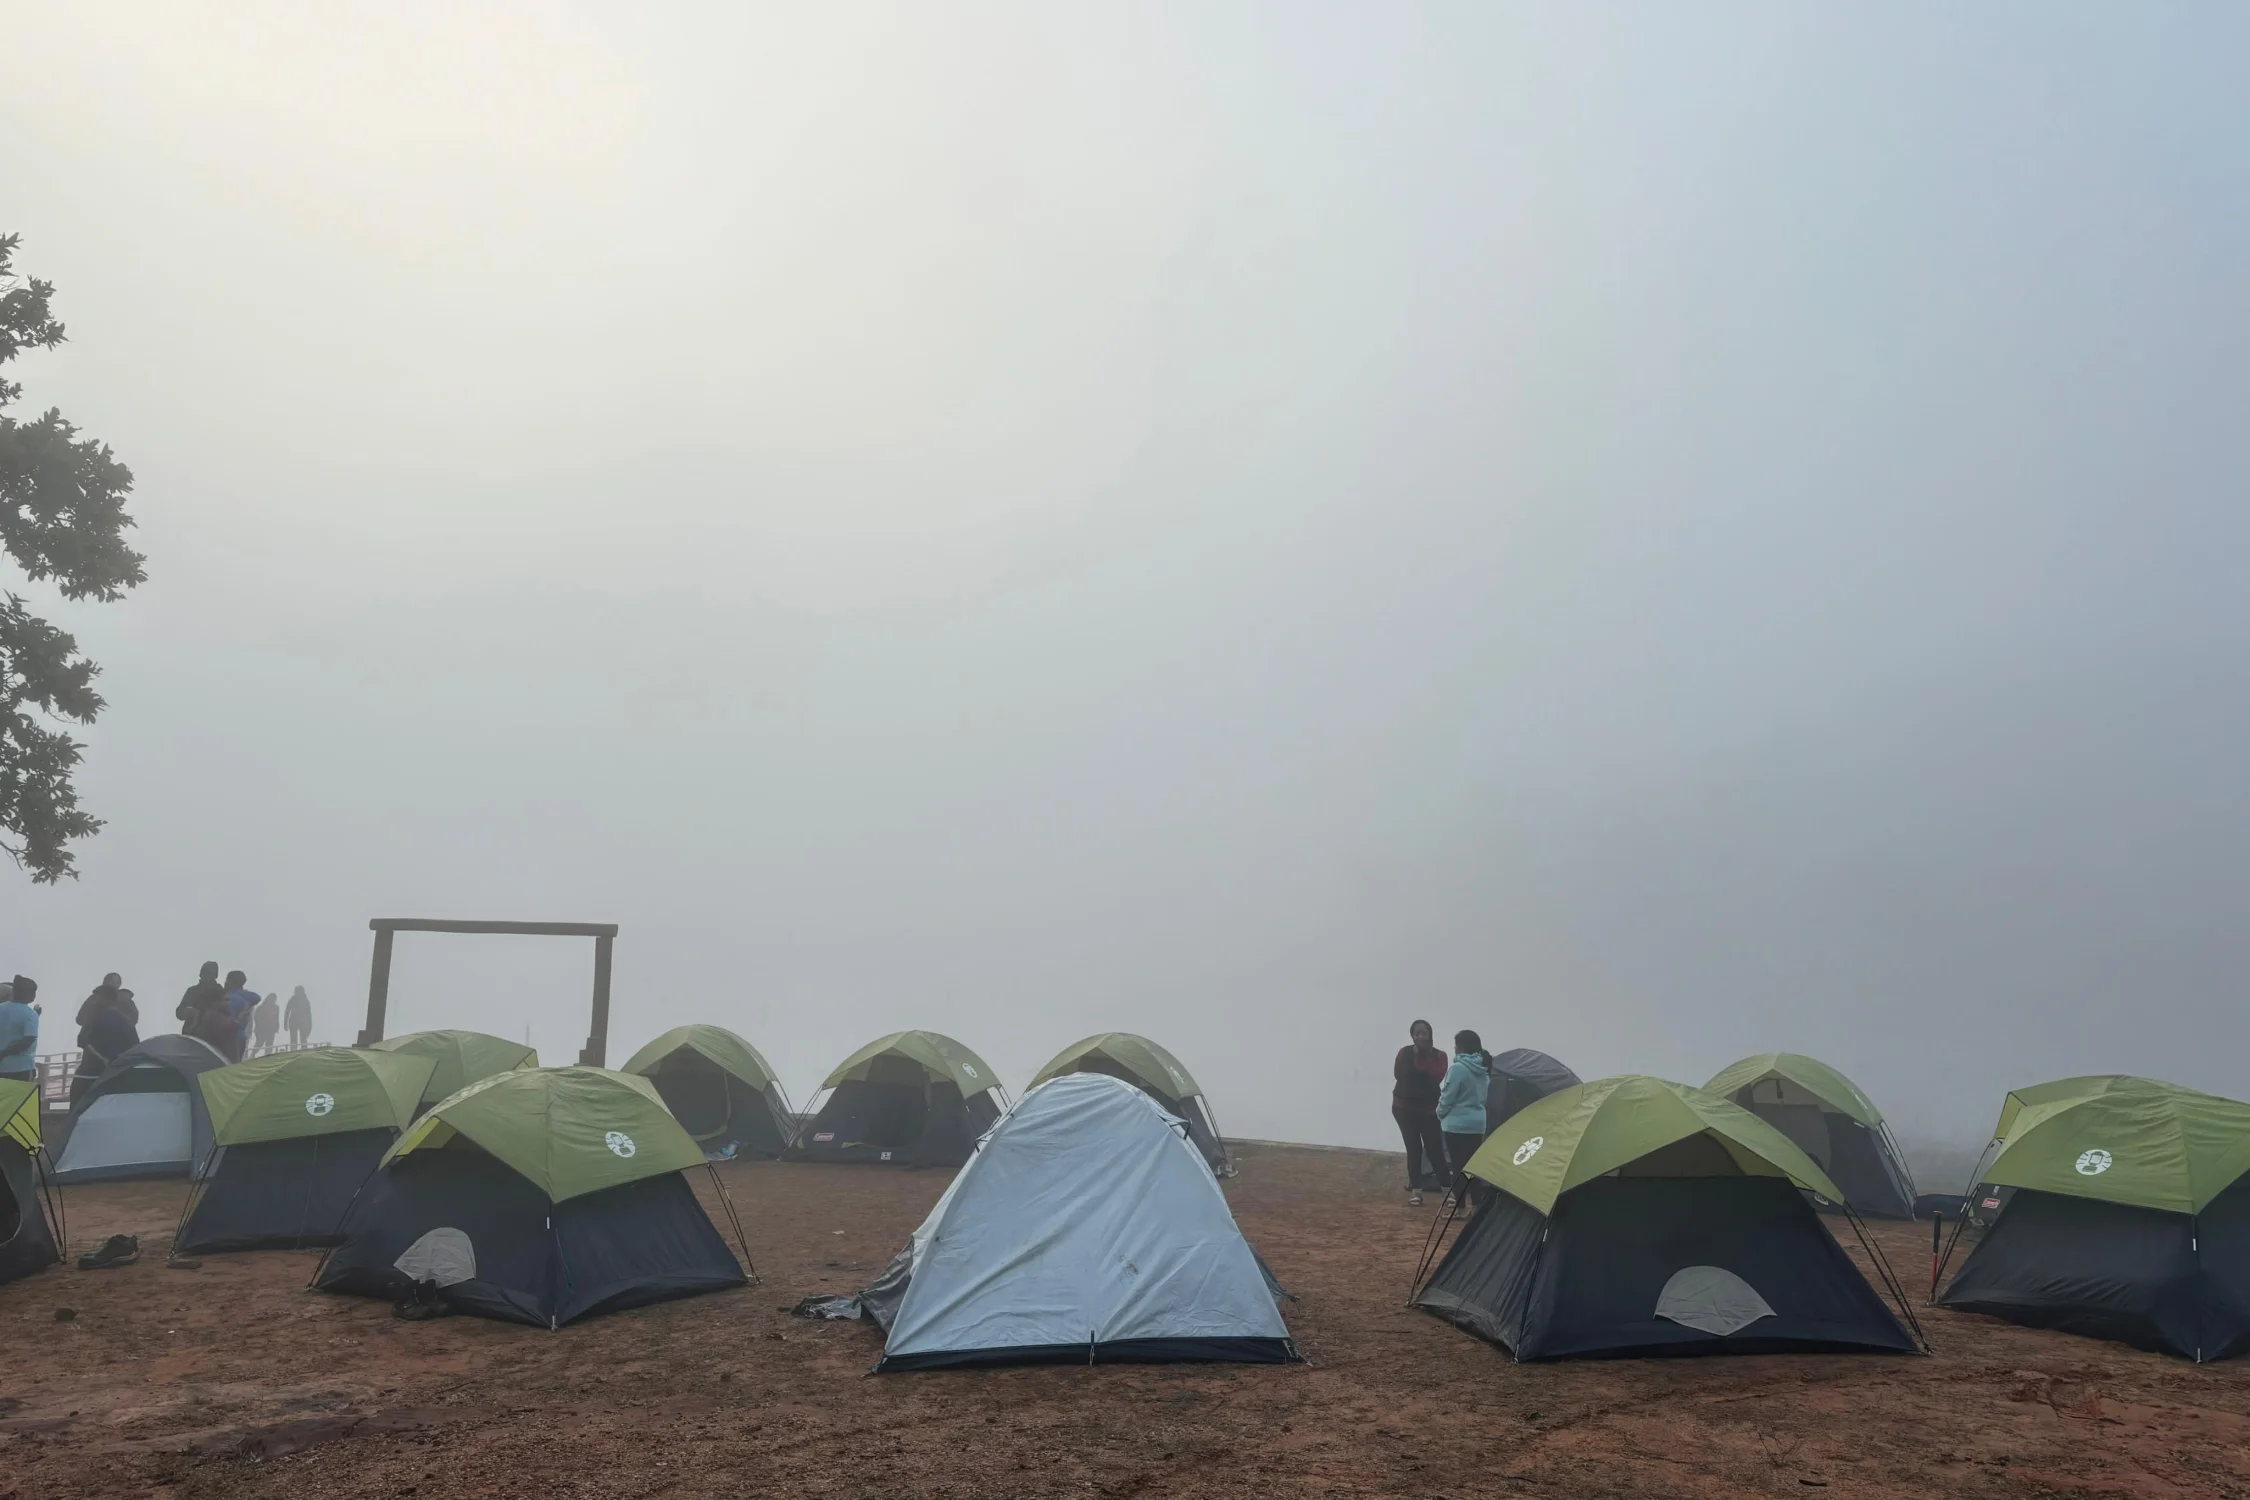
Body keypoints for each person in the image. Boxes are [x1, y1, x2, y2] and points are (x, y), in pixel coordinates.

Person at [1391, 1019, 1449, 1207]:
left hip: (1429, 1110)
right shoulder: (1404, 1053)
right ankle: (1416, 1191)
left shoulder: (1440, 1056)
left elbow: (1436, 1076)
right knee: (1413, 1147)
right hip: (1403, 1107)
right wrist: (1414, 1058)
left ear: (1430, 1034)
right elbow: (1399, 1074)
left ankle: (1448, 1189)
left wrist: (1422, 1058)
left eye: (1424, 1033)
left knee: (1434, 1148)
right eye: (1417, 1033)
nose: (1420, 1036)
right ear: (1412, 1035)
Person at [1436, 1029, 1492, 1199]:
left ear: (1460, 1048)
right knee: (1471, 1168)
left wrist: (1440, 1113)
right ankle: (1475, 1204)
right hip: (1477, 1126)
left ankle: (1459, 1208)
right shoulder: (1484, 1069)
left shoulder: (1458, 1069)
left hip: (1456, 1126)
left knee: (1458, 1168)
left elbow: (1447, 1096)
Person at [0, 975, 40, 1084]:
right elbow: (29, 1039)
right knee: (21, 1099)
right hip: (21, 1068)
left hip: (1, 1068)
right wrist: (4, 1053)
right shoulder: (30, 1014)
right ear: (31, 995)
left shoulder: (1, 1008)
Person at [284, 986, 313, 1051]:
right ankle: (293, 1052)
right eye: (297, 992)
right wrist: (285, 1023)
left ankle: (304, 1052)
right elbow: (287, 1011)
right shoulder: (292, 999)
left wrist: (309, 1026)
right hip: (293, 1022)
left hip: (303, 1023)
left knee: (303, 1039)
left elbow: (309, 1014)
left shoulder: (306, 1001)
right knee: (294, 1040)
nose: (299, 993)